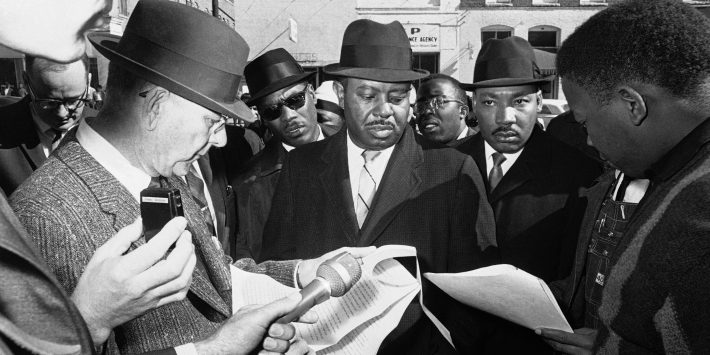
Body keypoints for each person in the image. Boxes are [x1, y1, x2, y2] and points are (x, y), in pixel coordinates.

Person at [10, 1, 363, 353]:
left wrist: (301, 272)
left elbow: (216, 276)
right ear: (156, 107)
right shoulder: (41, 217)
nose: (222, 139)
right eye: (213, 121)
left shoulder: (162, 173)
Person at [259, 19, 498, 354]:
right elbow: (276, 271)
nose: (384, 110)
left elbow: (477, 295)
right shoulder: (301, 166)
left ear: (412, 98)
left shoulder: (453, 172)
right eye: (368, 95)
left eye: (397, 97)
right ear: (341, 95)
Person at [537, 0, 710, 353]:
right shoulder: (681, 174)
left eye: (584, 121)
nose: (588, 139)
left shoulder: (698, 208)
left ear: (633, 105)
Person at [453, 36, 601, 354]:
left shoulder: (580, 175)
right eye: (491, 102)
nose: (506, 117)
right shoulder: (444, 166)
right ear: (474, 104)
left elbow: (577, 280)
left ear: (538, 101)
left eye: (519, 102)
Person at [232, 48, 323, 259]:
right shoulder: (248, 186)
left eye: (295, 100)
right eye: (272, 111)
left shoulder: (358, 153)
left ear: (312, 94)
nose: (289, 116)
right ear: (262, 118)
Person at [0, 56, 93, 196]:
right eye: (49, 102)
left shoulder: (108, 129)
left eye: (73, 100)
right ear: (26, 82)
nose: (62, 114)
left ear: (89, 81)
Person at [414, 74, 475, 146]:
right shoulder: (413, 151)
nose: (427, 111)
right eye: (421, 105)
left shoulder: (485, 150)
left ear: (462, 111)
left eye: (439, 102)